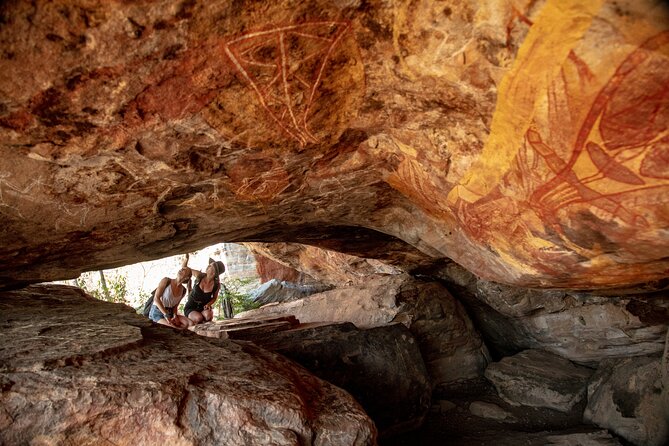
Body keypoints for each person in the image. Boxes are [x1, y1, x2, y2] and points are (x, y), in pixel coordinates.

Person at [148, 255, 193, 329]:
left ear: (187, 277)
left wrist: (175, 316)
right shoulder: (166, 281)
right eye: (181, 268)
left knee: (190, 323)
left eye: (184, 270)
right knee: (174, 329)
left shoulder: (183, 290)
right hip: (157, 312)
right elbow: (156, 299)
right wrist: (166, 315)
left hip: (170, 313)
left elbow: (175, 306)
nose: (181, 270)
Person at [183, 258, 225, 324]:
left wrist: (209, 304)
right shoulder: (199, 275)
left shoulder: (216, 285)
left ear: (214, 272)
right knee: (198, 318)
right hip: (191, 306)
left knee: (208, 316)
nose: (208, 266)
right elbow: (185, 269)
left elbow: (214, 298)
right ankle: (191, 320)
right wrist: (186, 259)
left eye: (210, 266)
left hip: (203, 307)